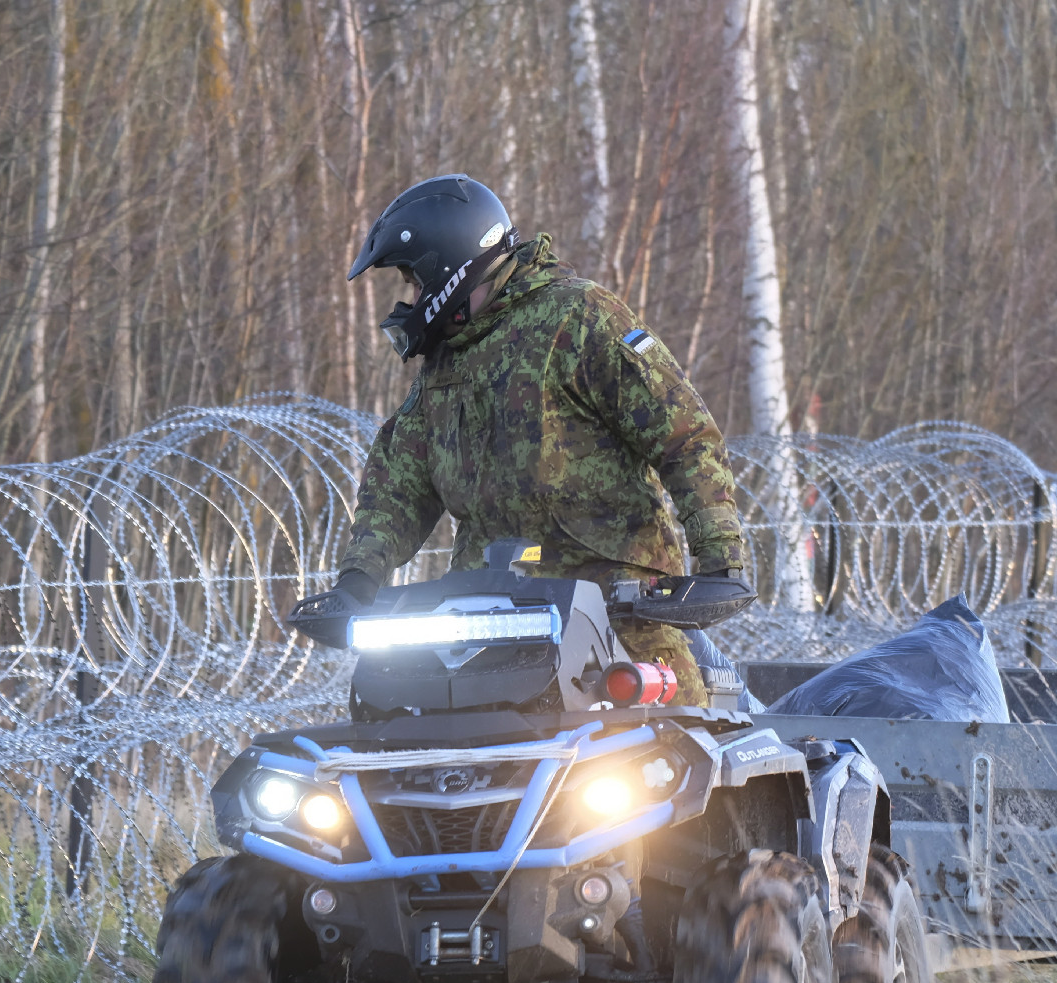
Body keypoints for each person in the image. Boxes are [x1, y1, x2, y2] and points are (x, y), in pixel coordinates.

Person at [296, 174, 752, 705]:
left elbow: (684, 435)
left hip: (616, 618)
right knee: (394, 724)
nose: (414, 299)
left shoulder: (579, 319)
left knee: (667, 759)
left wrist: (720, 560)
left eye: (415, 282)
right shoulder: (446, 364)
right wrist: (359, 583)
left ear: (450, 266)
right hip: (487, 625)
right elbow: (398, 484)